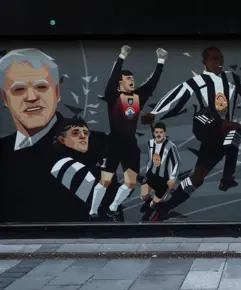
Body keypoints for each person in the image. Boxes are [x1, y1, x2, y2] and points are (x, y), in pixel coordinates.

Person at [147, 47, 241, 217]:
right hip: (204, 125)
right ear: (205, 62)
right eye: (214, 59)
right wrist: (155, 113)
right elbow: (176, 96)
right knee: (233, 127)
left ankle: (165, 207)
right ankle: (228, 176)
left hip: (220, 137)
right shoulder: (197, 82)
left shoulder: (232, 78)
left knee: (197, 178)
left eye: (220, 59)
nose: (218, 62)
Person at [0, 48, 82, 222]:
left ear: (57, 93)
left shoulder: (87, 145)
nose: (31, 97)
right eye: (19, 89)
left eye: (41, 87)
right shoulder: (3, 152)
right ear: (5, 99)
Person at [89, 45, 167, 218]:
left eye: (133, 78)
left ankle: (113, 207)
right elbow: (111, 79)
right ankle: (93, 211)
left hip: (130, 145)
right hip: (113, 143)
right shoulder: (113, 96)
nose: (132, 80)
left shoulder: (138, 96)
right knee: (106, 181)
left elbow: (152, 84)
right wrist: (122, 56)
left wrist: (161, 61)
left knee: (131, 183)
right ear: (120, 82)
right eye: (128, 78)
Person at [139, 121, 181, 221]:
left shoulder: (171, 146)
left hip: (164, 178)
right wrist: (147, 172)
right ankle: (149, 201)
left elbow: (177, 163)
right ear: (154, 133)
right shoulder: (150, 143)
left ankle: (150, 209)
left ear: (165, 133)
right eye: (156, 132)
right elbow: (150, 159)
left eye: (161, 132)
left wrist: (172, 178)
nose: (158, 134)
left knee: (155, 202)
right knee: (143, 195)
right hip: (151, 175)